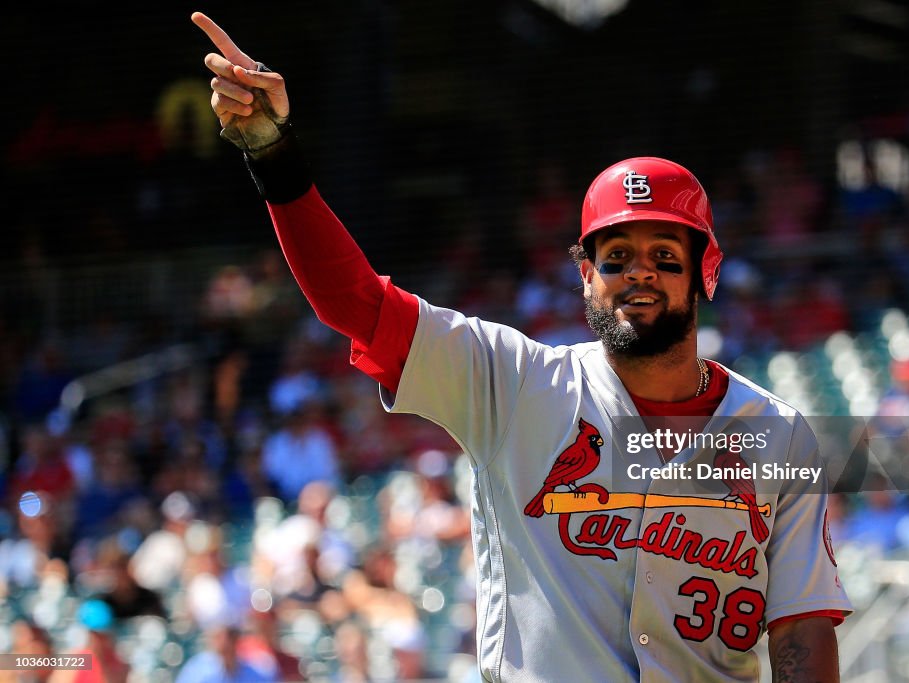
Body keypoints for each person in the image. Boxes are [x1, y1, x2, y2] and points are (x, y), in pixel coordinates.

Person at [192, 12, 852, 682]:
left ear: (701, 273)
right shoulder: (514, 383)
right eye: (616, 255)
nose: (639, 272)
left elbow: (800, 627)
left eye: (664, 254)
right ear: (585, 275)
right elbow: (354, 302)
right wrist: (275, 156)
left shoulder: (775, 435)